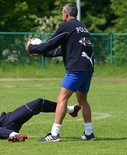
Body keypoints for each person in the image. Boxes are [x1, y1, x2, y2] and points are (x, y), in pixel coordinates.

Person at [25, 3, 95, 142]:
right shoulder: (83, 27)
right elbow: (62, 50)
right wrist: (43, 53)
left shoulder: (67, 26)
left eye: (62, 13)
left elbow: (51, 43)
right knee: (83, 100)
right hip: (88, 68)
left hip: (76, 68)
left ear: (66, 14)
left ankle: (54, 134)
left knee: (62, 98)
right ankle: (89, 133)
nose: (62, 15)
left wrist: (32, 48)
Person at [0, 84, 81, 142]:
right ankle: (16, 136)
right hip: (1, 129)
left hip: (5, 119)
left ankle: (70, 110)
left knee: (38, 103)